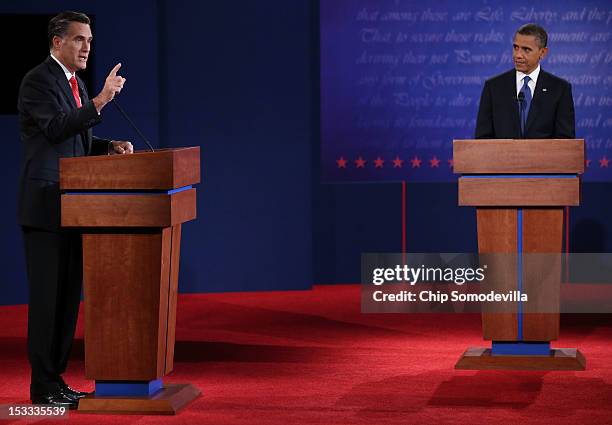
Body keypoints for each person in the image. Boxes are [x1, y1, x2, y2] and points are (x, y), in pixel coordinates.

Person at [17, 11, 134, 409]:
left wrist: (107, 145)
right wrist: (101, 100)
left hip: (75, 206)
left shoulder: (76, 83)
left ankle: (56, 381)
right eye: (79, 39)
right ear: (57, 42)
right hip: (46, 206)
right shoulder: (38, 81)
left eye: (90, 40)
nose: (87, 47)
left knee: (67, 301)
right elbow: (54, 129)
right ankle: (41, 386)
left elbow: (76, 134)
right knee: (48, 300)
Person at [475, 23, 575, 139]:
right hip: (503, 157)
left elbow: (565, 141)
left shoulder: (560, 89)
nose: (518, 55)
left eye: (526, 50)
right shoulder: (493, 87)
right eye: (515, 47)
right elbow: (482, 139)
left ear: (542, 53)